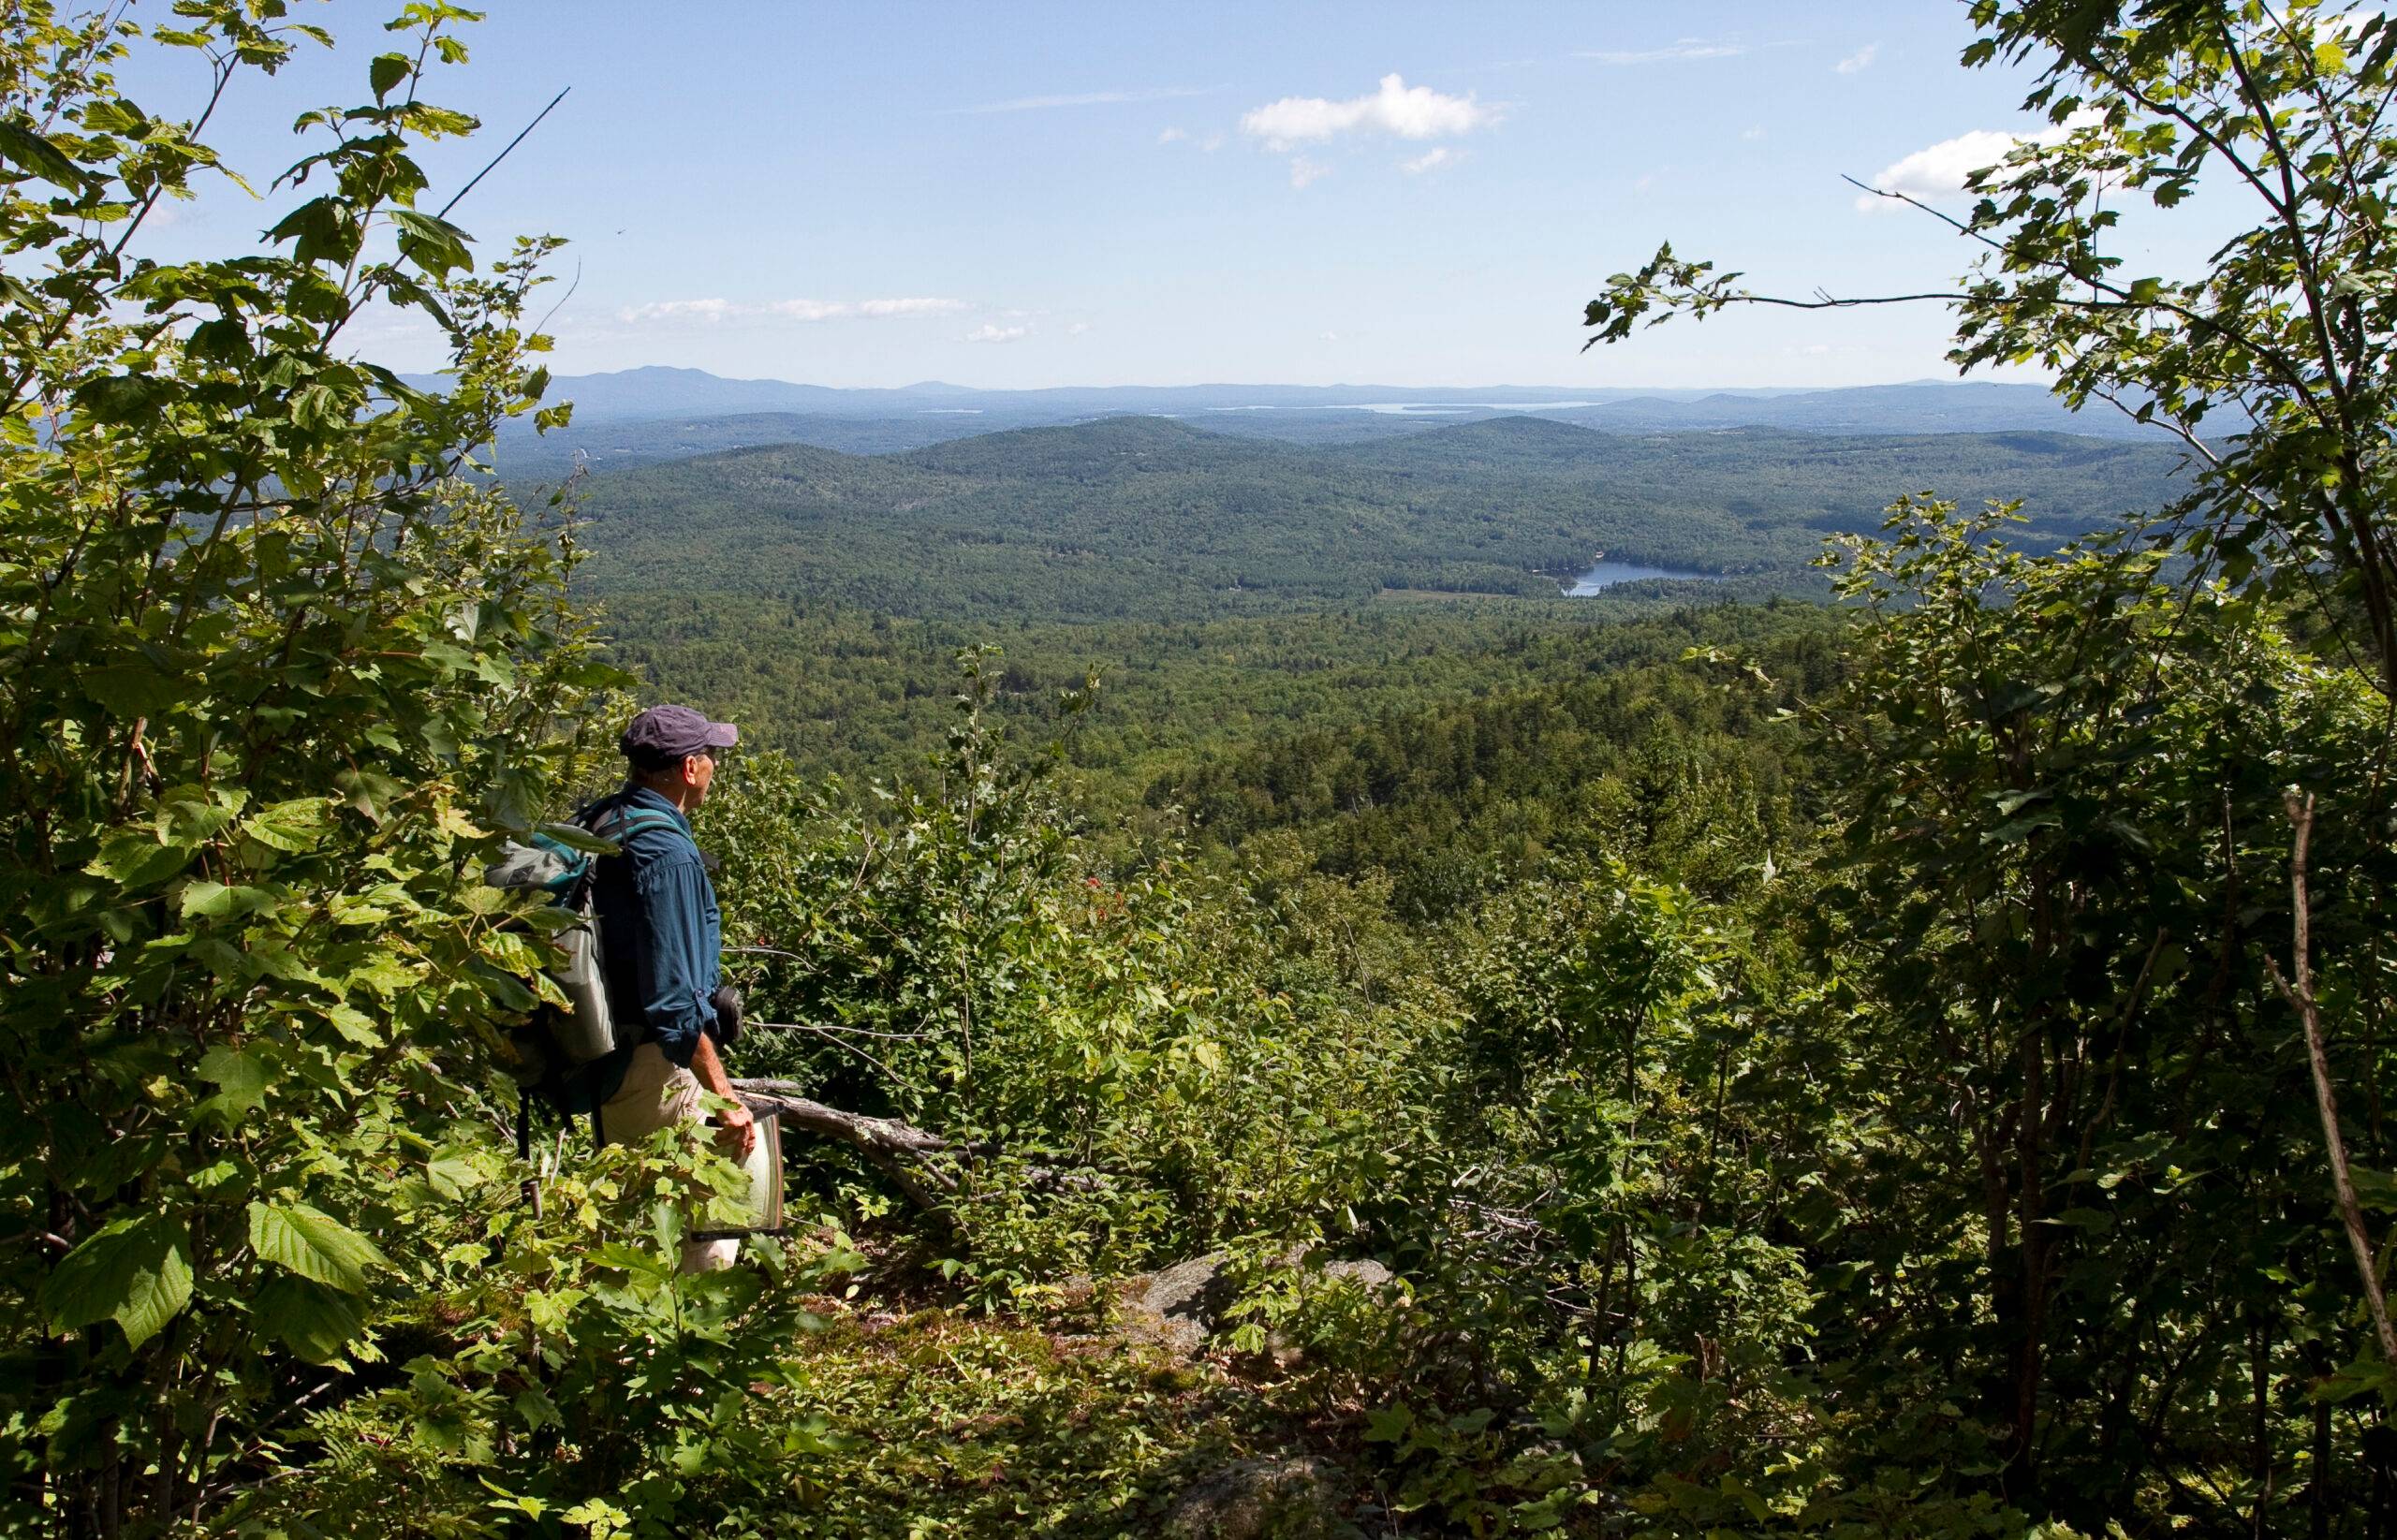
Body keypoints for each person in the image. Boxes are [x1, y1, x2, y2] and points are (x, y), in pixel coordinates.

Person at [584, 703, 757, 1272]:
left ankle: (616, 1348)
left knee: (624, 1215)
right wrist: (725, 1099)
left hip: (596, 1057)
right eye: (711, 757)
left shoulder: (603, 821)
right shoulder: (668, 854)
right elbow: (676, 999)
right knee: (705, 1215)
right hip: (649, 1065)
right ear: (689, 769)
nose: (714, 768)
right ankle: (690, 1350)